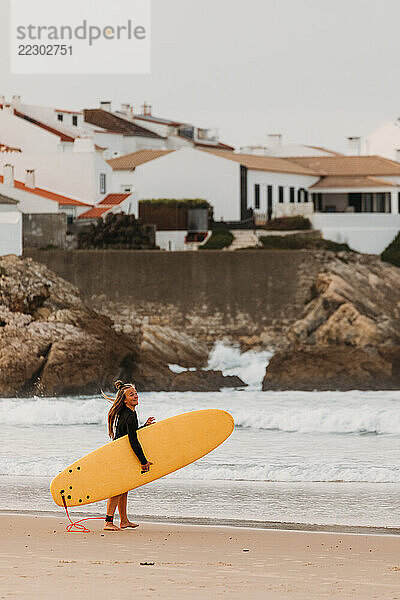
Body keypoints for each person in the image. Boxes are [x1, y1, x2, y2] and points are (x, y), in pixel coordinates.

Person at [103, 380, 155, 531]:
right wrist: (143, 461)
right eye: (131, 395)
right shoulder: (130, 415)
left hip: (120, 454)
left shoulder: (129, 412)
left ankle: (124, 521)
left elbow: (129, 434)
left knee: (124, 488)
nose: (135, 396)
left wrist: (144, 427)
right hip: (120, 456)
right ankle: (108, 522)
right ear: (125, 399)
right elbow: (133, 441)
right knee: (118, 489)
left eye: (136, 393)